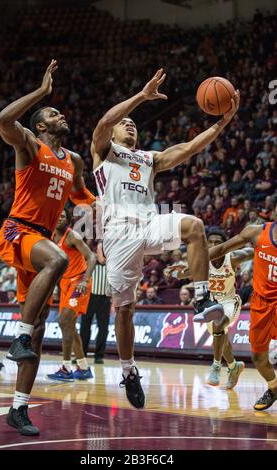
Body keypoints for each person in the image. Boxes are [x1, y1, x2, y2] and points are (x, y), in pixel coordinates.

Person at [91, 68, 240, 408]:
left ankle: (202, 300)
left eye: (133, 122)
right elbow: (102, 123)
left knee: (194, 226)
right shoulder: (103, 150)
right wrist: (141, 97)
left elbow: (187, 149)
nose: (130, 124)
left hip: (149, 223)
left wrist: (223, 122)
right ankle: (128, 370)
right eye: (125, 122)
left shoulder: (149, 159)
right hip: (118, 234)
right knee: (125, 309)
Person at [0, 60, 95, 435]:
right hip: (18, 232)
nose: (62, 114)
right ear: (40, 126)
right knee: (55, 259)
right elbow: (3, 121)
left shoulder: (75, 161)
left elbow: (85, 199)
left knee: (39, 331)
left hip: (41, 242)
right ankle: (17, 336)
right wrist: (40, 93)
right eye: (54, 113)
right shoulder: (30, 145)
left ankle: (18, 409)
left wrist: (116, 208)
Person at [207, 206, 277, 410]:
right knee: (258, 357)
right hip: (261, 303)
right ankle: (273, 388)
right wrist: (190, 263)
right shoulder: (256, 232)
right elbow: (219, 250)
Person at [166, 228, 253, 389]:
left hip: (229, 301)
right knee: (221, 337)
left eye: (217, 243)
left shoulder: (232, 257)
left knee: (219, 326)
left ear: (225, 245)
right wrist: (172, 273)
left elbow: (254, 250)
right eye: (210, 242)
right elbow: (183, 274)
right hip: (211, 304)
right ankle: (234, 367)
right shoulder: (202, 261)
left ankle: (216, 367)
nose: (213, 245)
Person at [47, 209, 96, 381]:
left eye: (63, 216)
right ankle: (83, 368)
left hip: (78, 283)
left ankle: (66, 368)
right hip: (65, 284)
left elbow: (92, 257)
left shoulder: (72, 236)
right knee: (69, 326)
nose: (59, 218)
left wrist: (85, 280)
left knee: (63, 321)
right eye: (57, 216)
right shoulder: (51, 237)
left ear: (67, 220)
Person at [80, 241, 111, 364]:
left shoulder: (111, 264)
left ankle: (99, 355)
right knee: (84, 327)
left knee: (103, 328)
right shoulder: (90, 263)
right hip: (90, 297)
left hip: (105, 298)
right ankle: (81, 354)